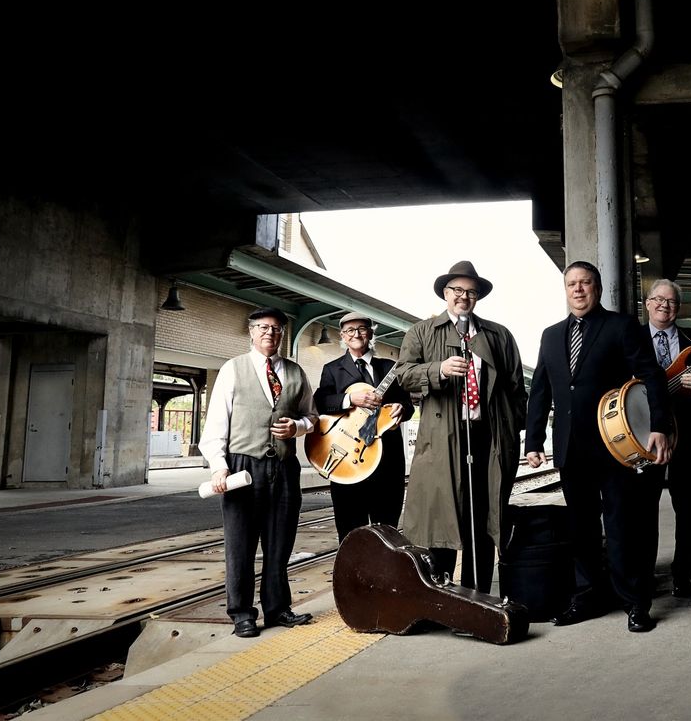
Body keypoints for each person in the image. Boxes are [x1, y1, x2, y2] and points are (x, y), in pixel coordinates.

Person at [525, 261, 672, 633]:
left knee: (623, 526)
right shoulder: (550, 334)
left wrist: (659, 426)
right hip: (571, 447)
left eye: (585, 283)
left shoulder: (620, 326)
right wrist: (534, 441)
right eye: (572, 283)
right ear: (565, 289)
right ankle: (587, 596)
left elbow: (650, 375)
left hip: (615, 445)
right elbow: (541, 390)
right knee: (581, 528)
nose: (578, 289)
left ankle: (635, 603)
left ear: (598, 287)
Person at [394, 261, 528, 593]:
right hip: (442, 440)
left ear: (478, 297)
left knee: (482, 515)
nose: (463, 297)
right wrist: (438, 369)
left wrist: (514, 430)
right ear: (445, 293)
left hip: (486, 437)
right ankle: (440, 594)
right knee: (440, 512)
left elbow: (515, 389)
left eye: (470, 291)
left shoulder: (498, 335)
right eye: (457, 290)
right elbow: (403, 374)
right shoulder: (422, 331)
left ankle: (477, 592)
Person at [199, 307, 317, 637]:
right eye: (263, 328)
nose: (270, 333)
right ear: (251, 332)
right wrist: (219, 467)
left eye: (277, 329)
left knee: (280, 543)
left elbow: (313, 416)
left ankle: (278, 609)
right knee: (241, 545)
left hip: (283, 467)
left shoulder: (295, 372)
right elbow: (216, 425)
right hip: (242, 466)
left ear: (283, 335)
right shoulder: (232, 369)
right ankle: (241, 614)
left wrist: (297, 427)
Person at [313, 312, 415, 542]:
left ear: (370, 333)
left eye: (361, 329)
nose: (356, 334)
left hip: (387, 462)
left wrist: (402, 407)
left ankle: (384, 577)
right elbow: (320, 402)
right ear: (342, 336)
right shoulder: (332, 369)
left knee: (387, 534)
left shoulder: (391, 367)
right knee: (350, 533)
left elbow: (408, 404)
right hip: (348, 461)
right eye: (350, 330)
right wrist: (350, 400)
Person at [644, 278, 691, 599]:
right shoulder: (630, 340)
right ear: (647, 304)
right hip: (643, 435)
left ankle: (684, 575)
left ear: (678, 307)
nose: (663, 306)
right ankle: (645, 573)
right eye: (657, 299)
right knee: (644, 507)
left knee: (688, 507)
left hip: (689, 435)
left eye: (669, 301)